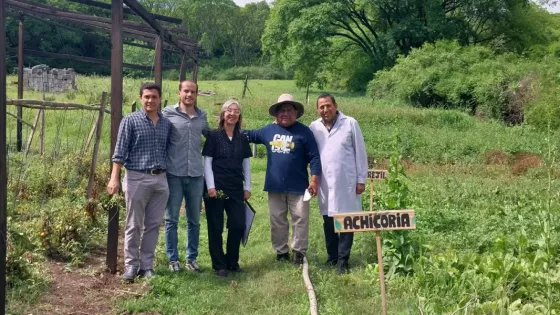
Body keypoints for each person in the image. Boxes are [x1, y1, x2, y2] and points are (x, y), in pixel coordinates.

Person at [245, 94, 321, 265]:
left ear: (296, 112)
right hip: (275, 186)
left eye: (289, 110)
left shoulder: (304, 132)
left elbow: (314, 157)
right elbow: (249, 135)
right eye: (281, 111)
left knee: (300, 218)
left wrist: (314, 180)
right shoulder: (269, 130)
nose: (285, 114)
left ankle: (299, 252)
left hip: (299, 186)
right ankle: (281, 252)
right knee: (277, 220)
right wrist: (227, 129)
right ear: (276, 114)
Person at [107, 82, 172, 281]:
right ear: (141, 98)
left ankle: (146, 266)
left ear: (160, 99)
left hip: (160, 179)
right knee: (134, 224)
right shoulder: (130, 120)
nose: (150, 100)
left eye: (154, 97)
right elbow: (120, 151)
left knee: (153, 225)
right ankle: (131, 266)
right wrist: (114, 178)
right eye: (147, 97)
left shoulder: (166, 124)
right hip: (137, 177)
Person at [309, 93, 368, 275]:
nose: (325, 110)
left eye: (328, 106)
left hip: (346, 181)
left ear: (335, 106)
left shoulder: (350, 123)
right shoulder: (314, 127)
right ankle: (332, 257)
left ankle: (343, 260)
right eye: (321, 107)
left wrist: (361, 179)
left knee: (346, 221)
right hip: (325, 182)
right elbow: (311, 154)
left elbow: (360, 153)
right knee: (328, 220)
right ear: (318, 110)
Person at [161, 80, 210, 272]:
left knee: (194, 220)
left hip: (196, 174)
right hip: (174, 173)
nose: (189, 95)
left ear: (197, 94)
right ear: (179, 92)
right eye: (186, 91)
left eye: (193, 92)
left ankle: (192, 258)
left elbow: (212, 137)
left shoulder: (202, 116)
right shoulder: (167, 114)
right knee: (172, 218)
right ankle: (173, 259)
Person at [202, 99, 252, 277]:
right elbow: (207, 162)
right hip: (216, 189)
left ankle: (232, 261)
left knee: (238, 224)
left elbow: (246, 164)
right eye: (229, 110)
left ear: (239, 116)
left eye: (236, 111)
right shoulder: (214, 137)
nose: (232, 114)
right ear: (223, 114)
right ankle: (219, 264)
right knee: (215, 227)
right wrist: (210, 186)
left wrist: (248, 186)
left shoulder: (242, 138)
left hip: (236, 188)